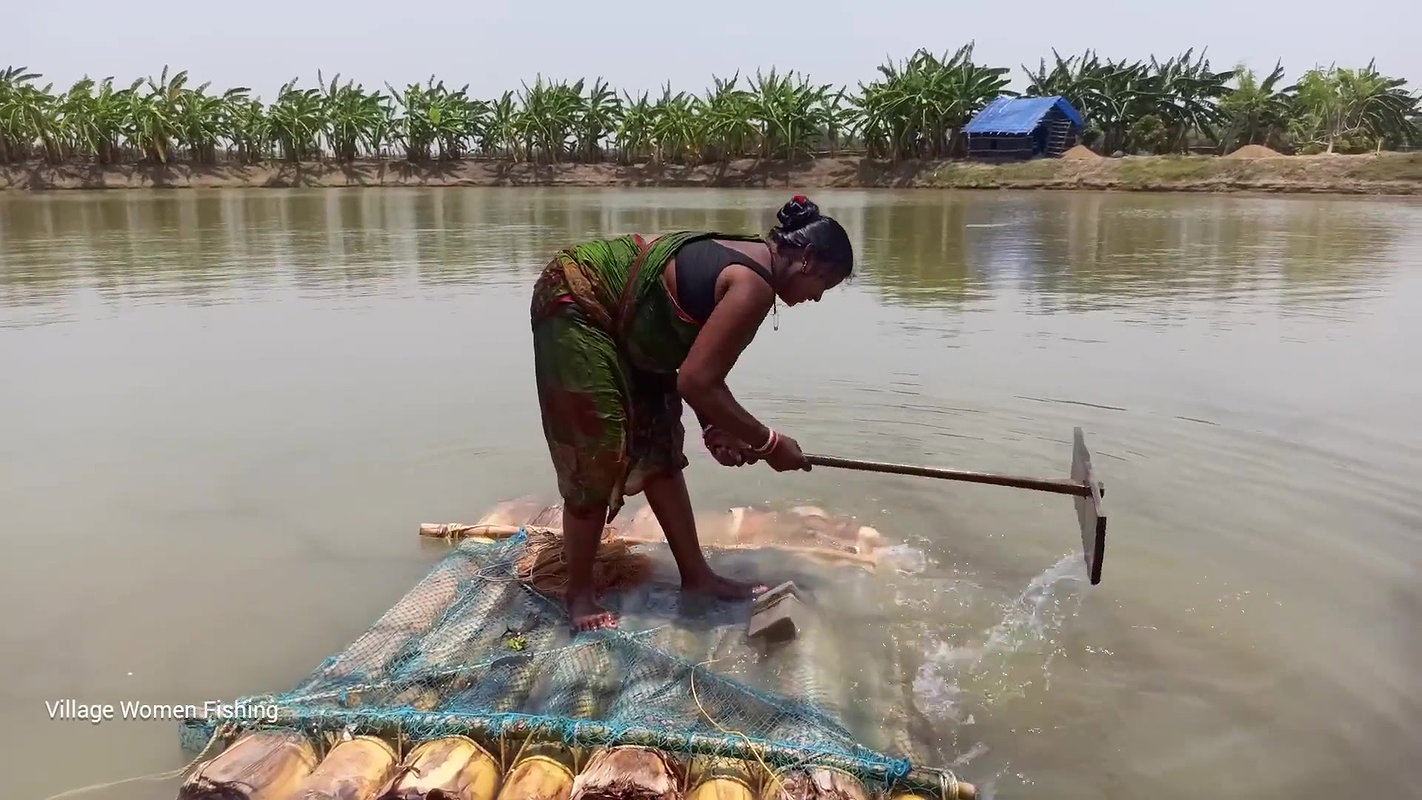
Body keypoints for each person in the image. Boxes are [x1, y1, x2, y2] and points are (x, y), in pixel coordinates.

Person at [529, 194, 855, 631]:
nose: (816, 298)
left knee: (661, 446)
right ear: (807, 258)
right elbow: (698, 382)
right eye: (824, 285)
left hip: (632, 323)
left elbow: (694, 364)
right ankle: (580, 594)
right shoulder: (753, 286)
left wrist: (714, 427)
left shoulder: (754, 267)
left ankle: (697, 577)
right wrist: (769, 443)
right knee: (597, 454)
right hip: (579, 302)